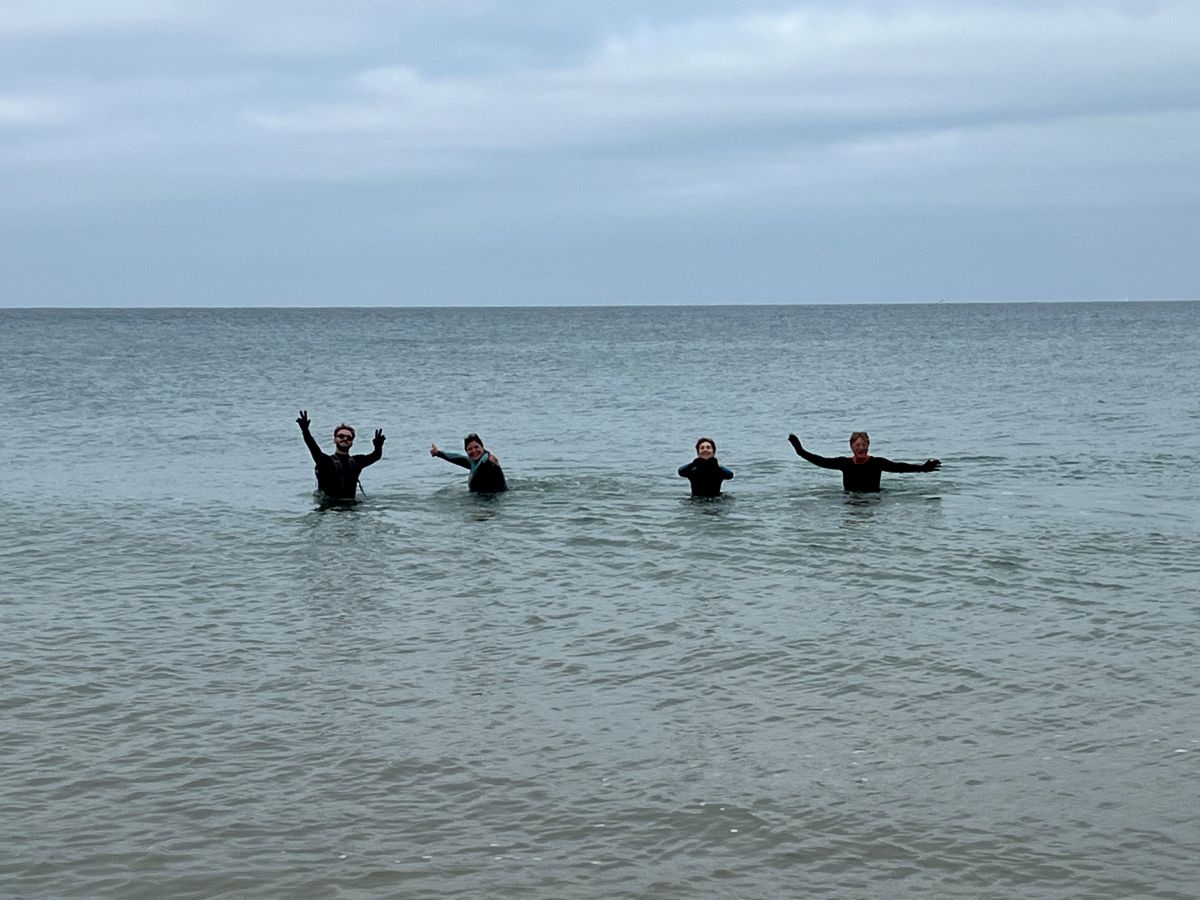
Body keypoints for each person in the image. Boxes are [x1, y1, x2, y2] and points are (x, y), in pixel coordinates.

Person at [787, 431, 939, 492]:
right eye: (857, 445)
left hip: (874, 499)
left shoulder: (877, 463)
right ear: (851, 446)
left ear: (868, 446)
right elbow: (821, 461)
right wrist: (800, 451)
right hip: (850, 500)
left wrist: (922, 468)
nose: (861, 448)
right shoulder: (844, 463)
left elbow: (899, 467)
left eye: (864, 445)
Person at [297, 410, 385, 500]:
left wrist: (378, 446)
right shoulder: (325, 461)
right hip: (329, 510)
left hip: (350, 509)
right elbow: (313, 447)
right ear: (335, 440)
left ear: (352, 443)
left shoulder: (357, 462)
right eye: (341, 436)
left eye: (349, 437)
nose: (345, 439)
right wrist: (305, 431)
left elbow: (376, 456)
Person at [430, 433, 507, 493]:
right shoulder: (473, 463)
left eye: (476, 447)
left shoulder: (487, 460)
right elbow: (457, 458)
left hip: (494, 501)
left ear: (482, 447)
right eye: (470, 449)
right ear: (466, 451)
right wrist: (438, 453)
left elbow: (488, 461)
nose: (474, 451)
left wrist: (493, 462)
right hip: (480, 501)